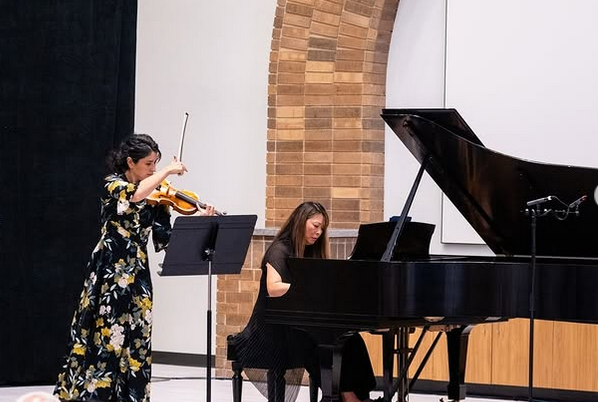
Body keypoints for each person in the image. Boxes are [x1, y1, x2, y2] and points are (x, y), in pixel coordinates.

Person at [54, 134, 213, 402]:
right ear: (131, 162)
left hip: (138, 274)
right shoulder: (112, 185)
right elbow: (135, 195)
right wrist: (165, 172)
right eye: (149, 164)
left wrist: (199, 223)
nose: (153, 170)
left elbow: (167, 242)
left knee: (137, 337)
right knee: (105, 335)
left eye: (155, 164)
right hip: (109, 271)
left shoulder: (158, 197)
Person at [232, 201, 377, 402]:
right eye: (315, 226)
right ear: (301, 221)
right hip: (273, 328)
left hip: (299, 323)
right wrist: (309, 290)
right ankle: (345, 396)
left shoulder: (311, 251)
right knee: (325, 344)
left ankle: (355, 395)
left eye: (322, 229)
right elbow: (273, 288)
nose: (318, 232)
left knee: (351, 339)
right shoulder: (279, 250)